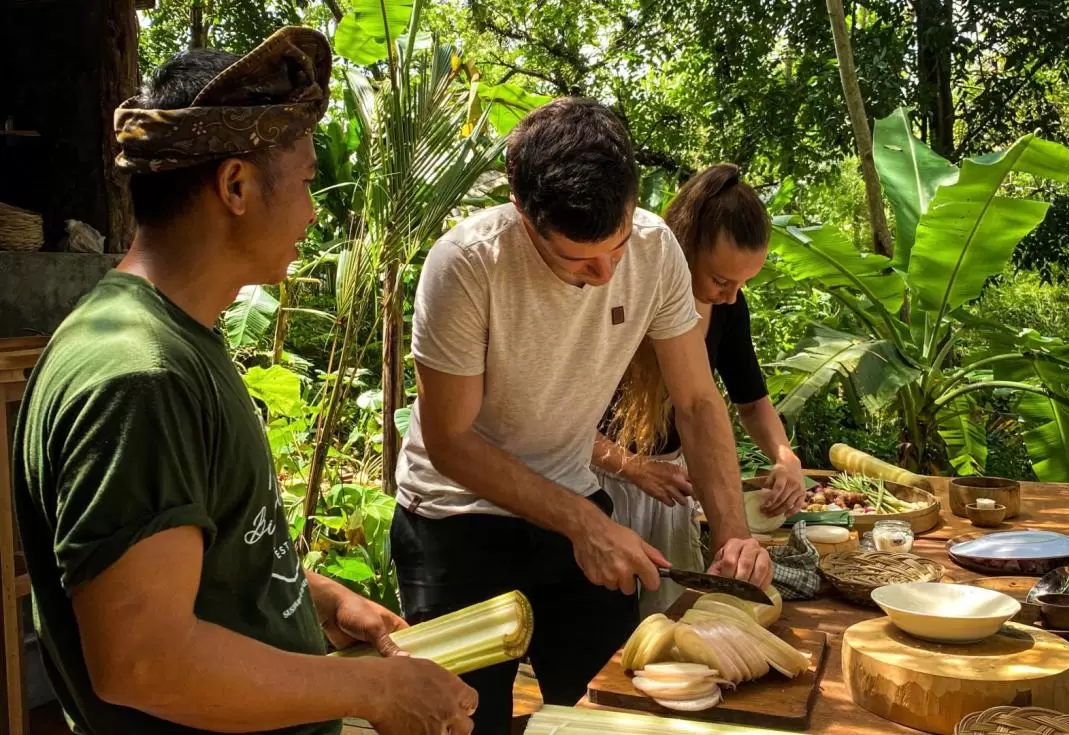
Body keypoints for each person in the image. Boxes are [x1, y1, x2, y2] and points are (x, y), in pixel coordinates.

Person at [12, 28, 476, 735]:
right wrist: (372, 692)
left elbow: (204, 564)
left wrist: (315, 598)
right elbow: (145, 659)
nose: (315, 211)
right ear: (235, 185)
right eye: (307, 182)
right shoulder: (138, 376)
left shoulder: (172, 337)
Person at [391, 98, 773, 735]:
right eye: (577, 260)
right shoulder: (464, 265)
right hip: (453, 520)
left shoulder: (655, 250)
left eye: (615, 249)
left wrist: (732, 533)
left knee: (613, 712)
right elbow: (450, 441)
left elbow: (700, 402)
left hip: (572, 502)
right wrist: (583, 523)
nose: (603, 275)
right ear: (524, 212)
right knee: (460, 721)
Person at [593, 163, 806, 616]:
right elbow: (559, 421)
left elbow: (747, 401)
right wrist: (632, 468)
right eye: (721, 280)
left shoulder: (728, 307)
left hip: (672, 489)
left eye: (742, 284)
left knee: (672, 622)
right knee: (608, 631)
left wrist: (784, 456)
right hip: (597, 487)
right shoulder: (619, 285)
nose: (730, 296)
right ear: (683, 248)